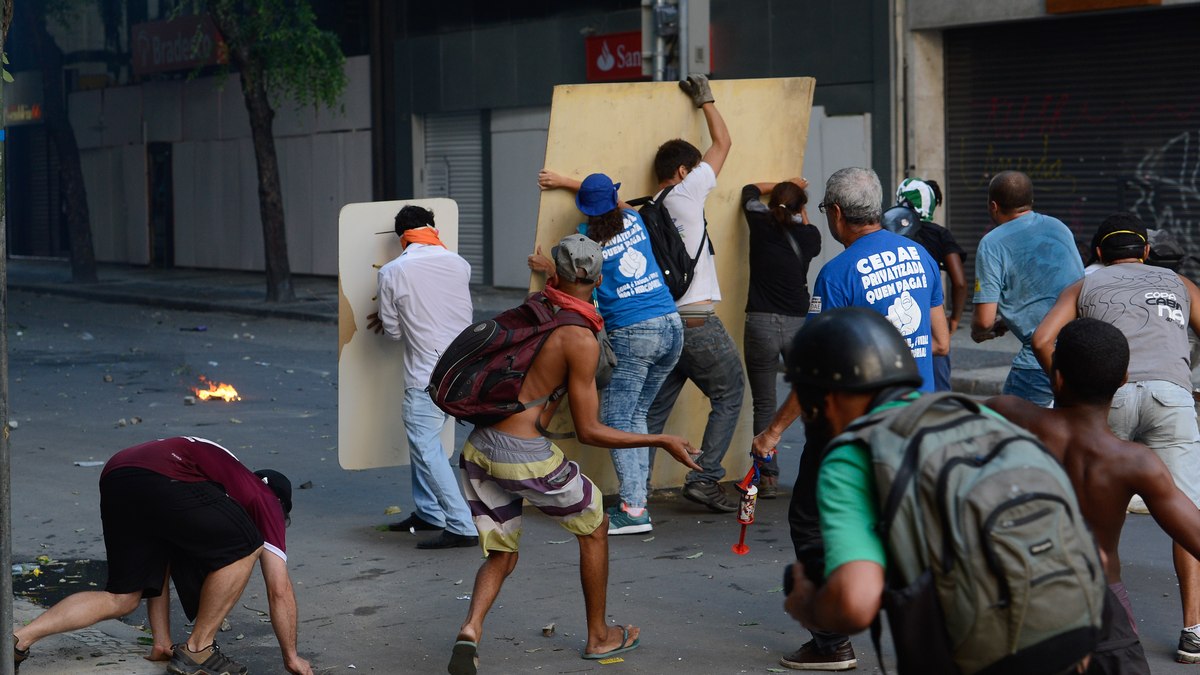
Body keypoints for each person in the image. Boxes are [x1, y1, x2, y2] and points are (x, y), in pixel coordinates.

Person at [780, 309, 1097, 675]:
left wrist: (808, 605)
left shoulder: (855, 453)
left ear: (828, 397)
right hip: (1074, 632)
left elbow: (855, 602)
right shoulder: (978, 417)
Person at [449, 234, 702, 675]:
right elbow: (590, 431)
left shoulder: (536, 306)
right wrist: (661, 440)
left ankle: (470, 630)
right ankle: (599, 636)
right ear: (599, 280)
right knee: (596, 526)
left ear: (559, 276)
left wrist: (549, 267)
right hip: (523, 454)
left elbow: (557, 282)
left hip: (479, 448)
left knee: (503, 553)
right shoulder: (579, 338)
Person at [753, 167, 949, 671]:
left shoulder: (838, 275)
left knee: (811, 521)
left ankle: (830, 642)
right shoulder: (921, 255)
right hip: (917, 419)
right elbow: (942, 341)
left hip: (855, 427)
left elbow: (817, 371)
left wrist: (773, 431)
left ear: (836, 214)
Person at [1031, 212, 1200, 663]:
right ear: (1145, 251)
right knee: (1185, 511)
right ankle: (1193, 630)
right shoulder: (1179, 283)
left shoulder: (1085, 285)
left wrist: (1066, 383)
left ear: (1100, 255)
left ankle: (1099, 614)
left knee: (1099, 510)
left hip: (1111, 392)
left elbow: (1042, 337)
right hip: (1171, 395)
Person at [990, 318, 1200, 673]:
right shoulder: (1134, 462)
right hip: (1101, 604)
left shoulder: (1007, 415)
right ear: (1123, 380)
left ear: (1056, 377)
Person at [12, 436, 310, 675]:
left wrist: (161, 642)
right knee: (248, 545)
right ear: (280, 505)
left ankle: (19, 639)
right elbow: (278, 590)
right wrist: (291, 657)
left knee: (123, 597)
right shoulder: (265, 499)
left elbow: (162, 565)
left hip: (119, 472)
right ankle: (198, 649)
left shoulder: (214, 491)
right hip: (164, 474)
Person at [529, 171, 683, 535]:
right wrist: (570, 181)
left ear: (586, 209)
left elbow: (575, 282)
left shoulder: (587, 243)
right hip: (671, 326)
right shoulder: (635, 219)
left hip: (634, 333)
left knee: (616, 423)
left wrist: (549, 268)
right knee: (635, 418)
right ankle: (636, 499)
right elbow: (616, 201)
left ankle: (633, 510)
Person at [643, 73, 744, 514]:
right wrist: (705, 99)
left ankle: (635, 488)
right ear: (683, 173)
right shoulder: (687, 193)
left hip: (664, 322)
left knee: (655, 409)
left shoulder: (646, 209)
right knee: (730, 391)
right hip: (697, 319)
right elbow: (722, 143)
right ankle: (704, 478)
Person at [373, 205, 479, 549]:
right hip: (463, 371)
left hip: (426, 376)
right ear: (432, 228)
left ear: (401, 238)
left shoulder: (392, 272)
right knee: (427, 444)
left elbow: (391, 332)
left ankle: (461, 524)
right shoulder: (459, 264)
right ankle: (430, 512)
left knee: (427, 449)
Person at [971, 170, 1083, 406]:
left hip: (1037, 364)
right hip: (1079, 352)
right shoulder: (1058, 227)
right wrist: (1010, 321)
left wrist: (979, 330)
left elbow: (983, 321)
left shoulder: (992, 243)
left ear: (993, 205)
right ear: (1030, 202)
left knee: (1013, 430)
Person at [740, 177, 821, 498]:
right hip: (798, 325)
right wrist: (799, 199)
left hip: (759, 322)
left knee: (765, 401)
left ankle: (767, 477)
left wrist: (779, 185)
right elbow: (804, 223)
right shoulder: (810, 235)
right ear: (801, 209)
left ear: (773, 205)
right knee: (809, 395)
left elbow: (748, 193)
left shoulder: (758, 223)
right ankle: (816, 470)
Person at [894, 177, 967, 391]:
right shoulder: (939, 234)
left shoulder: (890, 233)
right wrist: (953, 320)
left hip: (897, 319)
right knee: (938, 391)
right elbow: (960, 282)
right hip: (932, 321)